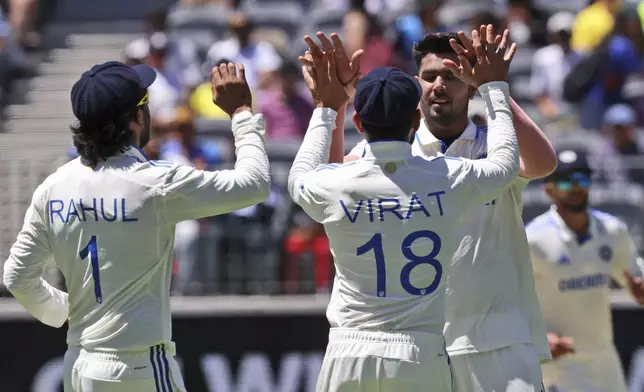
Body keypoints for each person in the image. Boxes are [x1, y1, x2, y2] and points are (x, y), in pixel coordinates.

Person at [2, 60, 270, 391]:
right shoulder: (155, 183)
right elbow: (256, 183)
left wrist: (66, 313)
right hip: (140, 365)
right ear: (137, 117)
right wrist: (242, 112)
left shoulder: (53, 186)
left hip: (80, 363)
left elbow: (17, 277)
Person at [291, 30, 520, 391]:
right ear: (416, 121)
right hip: (420, 350)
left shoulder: (336, 183)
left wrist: (327, 105)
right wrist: (493, 86)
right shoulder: (447, 177)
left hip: (348, 349)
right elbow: (506, 164)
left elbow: (299, 178)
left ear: (359, 125)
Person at [345, 27, 557, 392]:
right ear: (416, 85)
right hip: (420, 345)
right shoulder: (390, 153)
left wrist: (496, 87)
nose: (439, 85)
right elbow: (332, 179)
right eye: (430, 77)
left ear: (472, 85)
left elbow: (543, 163)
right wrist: (331, 104)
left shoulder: (499, 147)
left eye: (452, 76)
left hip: (497, 341)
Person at [526, 148, 644, 392]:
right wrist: (537, 340)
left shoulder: (613, 230)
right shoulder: (533, 239)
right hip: (558, 363)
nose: (576, 187)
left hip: (603, 361)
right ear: (548, 188)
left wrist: (640, 289)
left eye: (581, 178)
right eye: (566, 181)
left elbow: (635, 280)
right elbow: (507, 300)